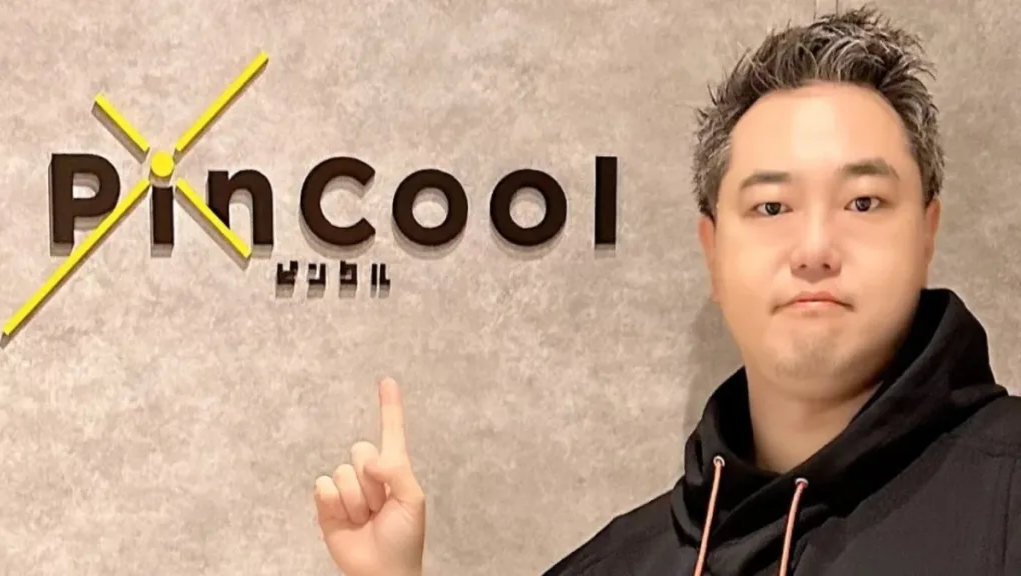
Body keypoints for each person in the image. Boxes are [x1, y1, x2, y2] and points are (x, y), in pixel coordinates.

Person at [311, 6, 1021, 575]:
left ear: (926, 233)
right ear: (713, 253)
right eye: (771, 207)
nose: (814, 248)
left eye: (863, 202)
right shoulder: (615, 563)